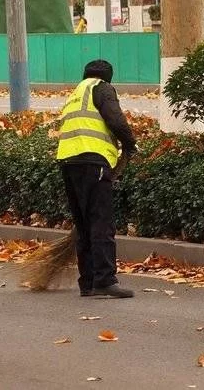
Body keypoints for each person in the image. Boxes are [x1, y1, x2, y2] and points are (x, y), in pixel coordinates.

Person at [57, 60, 137, 298]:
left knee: (83, 225)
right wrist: (130, 144)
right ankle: (105, 279)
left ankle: (88, 282)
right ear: (108, 77)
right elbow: (115, 119)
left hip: (69, 162)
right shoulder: (101, 88)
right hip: (93, 160)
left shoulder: (75, 94)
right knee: (102, 222)